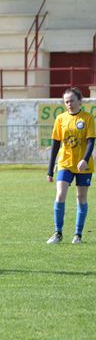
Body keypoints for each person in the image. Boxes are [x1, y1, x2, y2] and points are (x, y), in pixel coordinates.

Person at [46, 87, 95, 244]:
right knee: (60, 194)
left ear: (79, 101)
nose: (69, 104)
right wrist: (50, 170)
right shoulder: (60, 119)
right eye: (66, 101)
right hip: (65, 163)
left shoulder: (88, 118)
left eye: (72, 101)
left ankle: (78, 235)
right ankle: (58, 233)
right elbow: (55, 144)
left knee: (81, 197)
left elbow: (91, 141)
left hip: (83, 166)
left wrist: (85, 160)